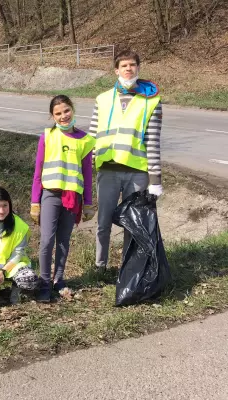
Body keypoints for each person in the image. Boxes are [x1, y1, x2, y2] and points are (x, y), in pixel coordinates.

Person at [89, 50, 162, 273]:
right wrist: (87, 168)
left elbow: (153, 142)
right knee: (103, 223)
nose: (128, 69)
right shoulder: (101, 99)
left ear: (138, 68)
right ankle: (100, 266)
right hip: (108, 171)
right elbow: (93, 136)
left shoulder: (151, 101)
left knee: (133, 222)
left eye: (132, 65)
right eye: (124, 65)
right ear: (116, 70)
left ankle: (128, 268)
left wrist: (155, 179)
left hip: (137, 171)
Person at [30, 95, 96, 303]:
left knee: (64, 241)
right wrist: (35, 202)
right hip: (50, 195)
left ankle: (59, 280)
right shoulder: (47, 136)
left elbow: (87, 174)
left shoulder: (85, 140)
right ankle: (44, 282)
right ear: (52, 116)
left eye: (66, 111)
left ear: (72, 110)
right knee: (47, 240)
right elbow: (38, 172)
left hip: (72, 198)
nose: (63, 116)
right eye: (58, 113)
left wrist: (88, 203)